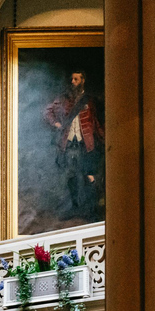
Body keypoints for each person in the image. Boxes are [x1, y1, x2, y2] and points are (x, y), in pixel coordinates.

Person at [44, 70, 105, 220]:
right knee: (71, 175)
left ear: (83, 80)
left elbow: (95, 122)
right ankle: (75, 208)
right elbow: (47, 111)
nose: (73, 82)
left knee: (88, 175)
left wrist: (103, 138)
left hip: (86, 143)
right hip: (69, 143)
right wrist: (57, 124)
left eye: (76, 79)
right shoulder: (64, 99)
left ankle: (91, 210)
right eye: (72, 79)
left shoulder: (89, 100)